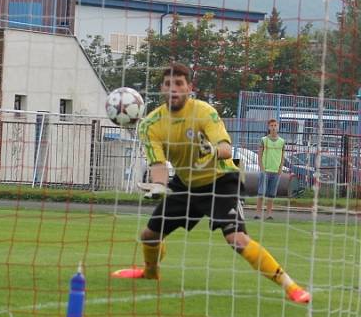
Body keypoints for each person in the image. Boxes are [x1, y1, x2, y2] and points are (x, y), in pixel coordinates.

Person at [111, 62, 311, 304]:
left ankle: (291, 287)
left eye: (179, 84)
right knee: (149, 236)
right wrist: (158, 186)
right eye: (167, 84)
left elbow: (227, 149)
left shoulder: (205, 111)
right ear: (161, 89)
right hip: (186, 184)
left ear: (189, 88)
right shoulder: (150, 124)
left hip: (221, 181)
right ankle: (150, 273)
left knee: (237, 240)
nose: (173, 89)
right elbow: (159, 165)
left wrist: (213, 150)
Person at [256, 119, 285, 220]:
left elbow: (282, 156)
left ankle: (269, 214)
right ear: (268, 127)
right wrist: (262, 168)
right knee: (261, 193)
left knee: (271, 195)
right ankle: (258, 213)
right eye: (271, 125)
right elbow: (259, 155)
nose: (273, 127)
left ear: (278, 127)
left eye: (275, 125)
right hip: (265, 170)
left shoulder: (282, 141)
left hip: (276, 171)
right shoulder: (264, 140)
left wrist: (280, 168)